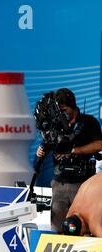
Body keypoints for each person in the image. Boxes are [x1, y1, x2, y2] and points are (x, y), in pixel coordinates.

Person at [36, 88, 102, 233]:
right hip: (59, 182)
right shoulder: (56, 123)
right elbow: (48, 141)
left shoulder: (88, 122)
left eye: (64, 109)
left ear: (73, 106)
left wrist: (74, 150)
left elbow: (99, 144)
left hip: (82, 184)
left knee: (84, 226)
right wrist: (41, 149)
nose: (62, 112)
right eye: (59, 109)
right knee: (57, 227)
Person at [62, 172, 102, 237]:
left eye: (81, 234)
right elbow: (68, 224)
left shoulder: (93, 223)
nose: (82, 235)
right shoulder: (72, 211)